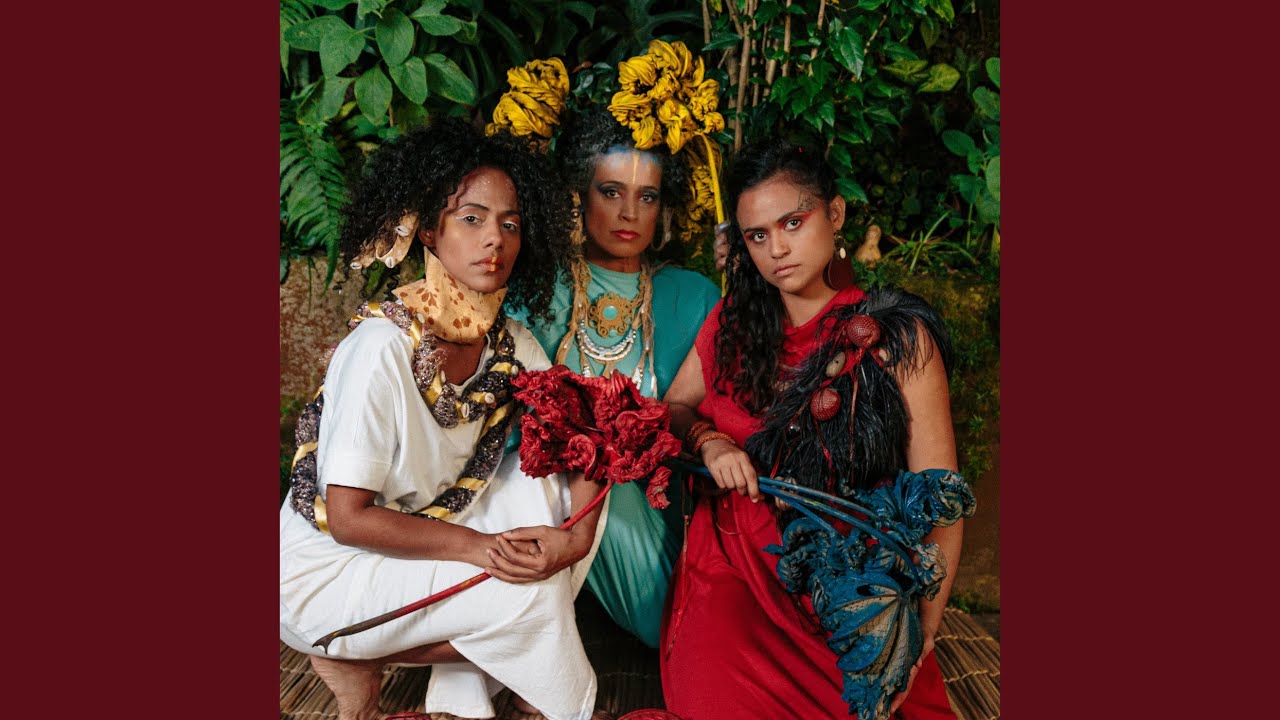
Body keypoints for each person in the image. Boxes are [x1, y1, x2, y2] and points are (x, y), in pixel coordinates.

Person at [279, 119, 610, 720]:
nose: (495, 240)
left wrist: (572, 541)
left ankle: (446, 682)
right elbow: (349, 519)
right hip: (330, 570)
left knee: (563, 487)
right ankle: (351, 651)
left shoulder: (509, 343)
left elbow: (581, 432)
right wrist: (481, 550)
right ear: (430, 231)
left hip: (425, 536)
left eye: (510, 224)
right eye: (472, 219)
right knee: (530, 599)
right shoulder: (381, 347)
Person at [659, 137, 965, 719]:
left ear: (836, 213)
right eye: (756, 236)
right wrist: (710, 441)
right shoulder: (733, 324)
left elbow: (941, 498)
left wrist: (919, 635)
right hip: (734, 567)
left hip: (850, 578)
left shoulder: (895, 338)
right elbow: (674, 409)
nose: (777, 249)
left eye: (792, 223)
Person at [497, 52, 723, 650]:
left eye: (647, 197)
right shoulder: (536, 286)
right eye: (612, 191)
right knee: (564, 474)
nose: (628, 212)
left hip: (661, 501)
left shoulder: (694, 296)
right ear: (580, 194)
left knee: (693, 616)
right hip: (546, 489)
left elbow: (721, 409)